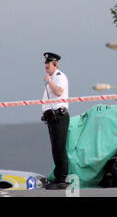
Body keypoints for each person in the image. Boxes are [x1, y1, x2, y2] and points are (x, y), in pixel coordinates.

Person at [41, 52, 70, 190]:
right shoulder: (52, 78)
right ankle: (58, 177)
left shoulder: (59, 77)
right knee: (55, 149)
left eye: (49, 63)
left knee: (60, 148)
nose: (46, 66)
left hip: (59, 116)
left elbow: (58, 92)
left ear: (55, 64)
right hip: (52, 117)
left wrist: (49, 81)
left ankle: (62, 178)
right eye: (45, 63)